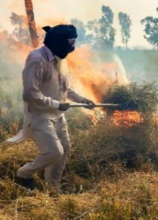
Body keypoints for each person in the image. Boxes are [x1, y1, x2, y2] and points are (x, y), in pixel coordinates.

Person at [8, 24, 95, 190]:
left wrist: (83, 100)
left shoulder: (58, 60)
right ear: (59, 42)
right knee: (55, 152)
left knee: (65, 149)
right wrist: (57, 104)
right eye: (70, 43)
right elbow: (30, 94)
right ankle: (23, 174)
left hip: (57, 115)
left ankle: (52, 188)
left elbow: (64, 88)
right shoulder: (36, 60)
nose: (72, 48)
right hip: (39, 116)